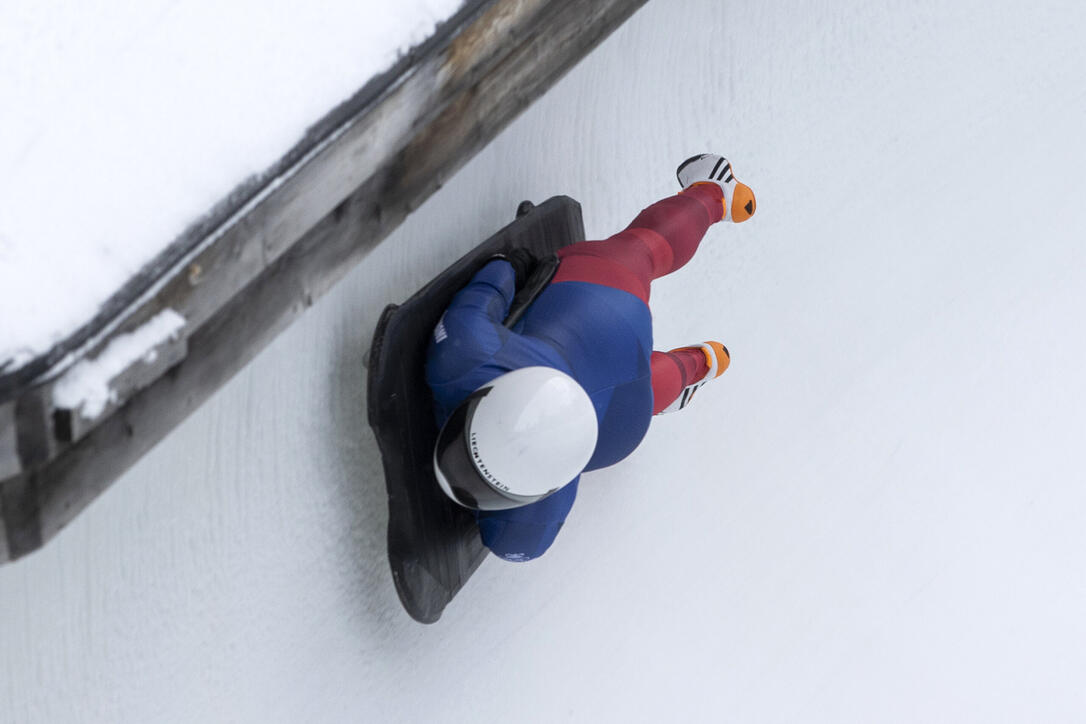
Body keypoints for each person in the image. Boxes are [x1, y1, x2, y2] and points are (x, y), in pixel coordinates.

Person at [425, 153, 756, 561]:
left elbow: (491, 285)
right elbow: (490, 287)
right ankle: (713, 197)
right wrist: (507, 268)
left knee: (644, 385)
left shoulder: (462, 355)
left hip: (607, 367)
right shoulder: (463, 351)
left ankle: (697, 365)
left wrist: (508, 269)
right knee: (642, 252)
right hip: (606, 319)